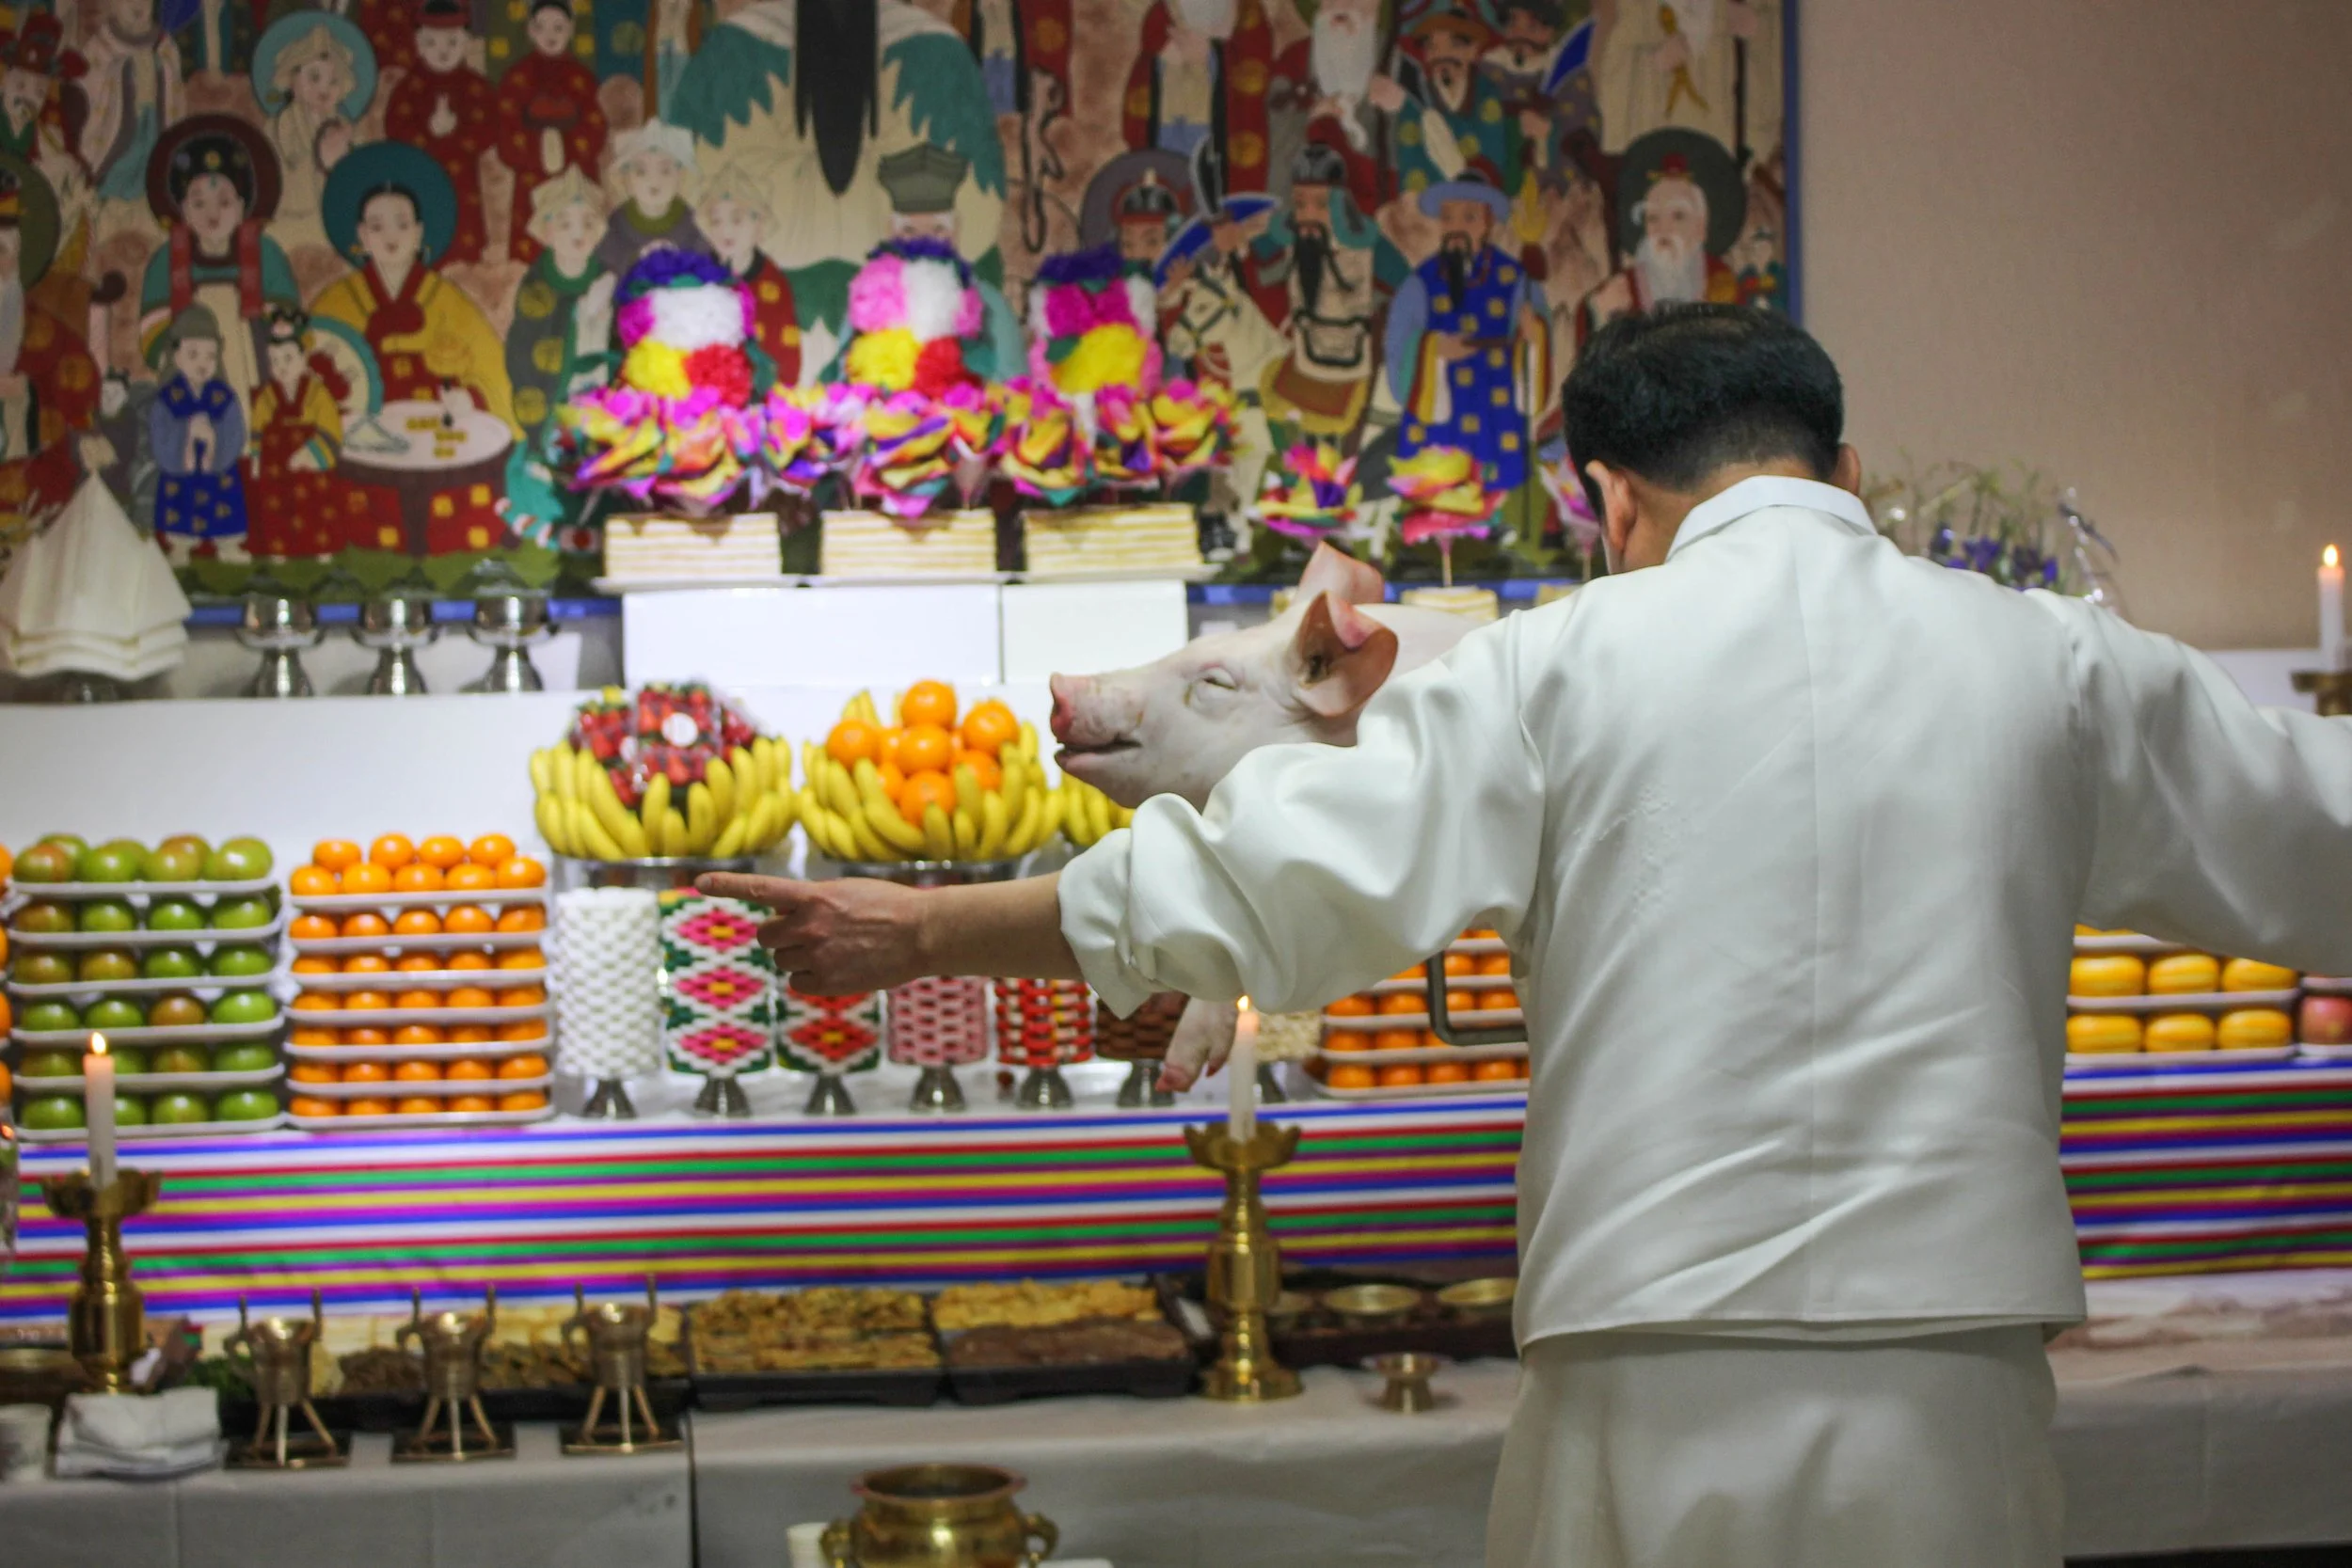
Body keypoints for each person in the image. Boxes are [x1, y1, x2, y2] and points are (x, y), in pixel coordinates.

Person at [698, 302, 2352, 1566]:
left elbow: (1270, 874)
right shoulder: (2052, 662)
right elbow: (2324, 832)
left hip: (1646, 1352)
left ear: (1611, 500)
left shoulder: (1557, 662)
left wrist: (924, 931)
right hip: (1952, 1375)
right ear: (1847, 473)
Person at [310, 140, 516, 553]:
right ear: (361, 236)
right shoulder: (336, 303)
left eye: (403, 224)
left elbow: (488, 370)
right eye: (378, 226)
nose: (392, 237)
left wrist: (468, 398)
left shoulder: (447, 300)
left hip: (437, 436)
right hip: (364, 439)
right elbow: (310, 378)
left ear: (420, 232)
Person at [1386, 173, 1548, 491]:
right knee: (1437, 488)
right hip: (1440, 413)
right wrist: (1433, 351)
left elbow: (1538, 341)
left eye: (1469, 217)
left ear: (1487, 223)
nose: (1456, 227)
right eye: (1448, 218)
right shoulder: (1420, 283)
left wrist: (1533, 338)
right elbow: (1397, 345)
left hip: (1494, 405)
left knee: (1494, 487)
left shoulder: (1514, 280)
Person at [138, 115, 303, 428]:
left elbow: (289, 311)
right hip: (189, 370)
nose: (212, 214)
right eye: (199, 204)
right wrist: (177, 360)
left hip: (256, 362)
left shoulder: (265, 252)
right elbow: (152, 326)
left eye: (224, 202)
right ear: (182, 209)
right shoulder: (166, 259)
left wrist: (281, 333)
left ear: (243, 206)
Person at [383, 0, 498, 267]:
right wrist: (430, 133)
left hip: (463, 181)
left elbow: (489, 130)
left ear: (466, 42)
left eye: (452, 43)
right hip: (420, 177)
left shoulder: (476, 86)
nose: (442, 52)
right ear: (419, 44)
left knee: (464, 242)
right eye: (432, 43)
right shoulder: (409, 86)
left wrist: (454, 135)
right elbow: (394, 129)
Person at [494, 0, 607, 263]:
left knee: (578, 248)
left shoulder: (583, 78)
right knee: (532, 255)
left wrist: (564, 145)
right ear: (530, 31)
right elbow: (506, 131)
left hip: (575, 176)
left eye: (558, 27)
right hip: (532, 177)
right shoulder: (516, 76)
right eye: (541, 27)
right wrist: (539, 146)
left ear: (571, 29)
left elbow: (595, 128)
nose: (550, 35)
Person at [147, 303, 249, 562]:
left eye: (210, 356)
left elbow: (236, 434)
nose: (202, 364)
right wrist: (186, 434)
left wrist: (214, 439)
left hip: (218, 473)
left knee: (225, 507)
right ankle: (179, 547)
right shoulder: (167, 399)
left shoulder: (224, 397)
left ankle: (227, 546)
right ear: (176, 357)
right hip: (182, 475)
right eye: (193, 355)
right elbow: (159, 437)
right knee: (179, 505)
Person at [697, 162, 802, 388]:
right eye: (717, 221)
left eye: (737, 219)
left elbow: (785, 354)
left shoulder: (773, 283)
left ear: (759, 224)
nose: (726, 231)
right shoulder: (699, 280)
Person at [595, 119, 705, 277]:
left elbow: (701, 260)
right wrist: (639, 257)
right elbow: (609, 259)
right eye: (641, 172)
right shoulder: (618, 221)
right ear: (627, 178)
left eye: (665, 171)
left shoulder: (690, 220)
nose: (654, 181)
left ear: (680, 175)